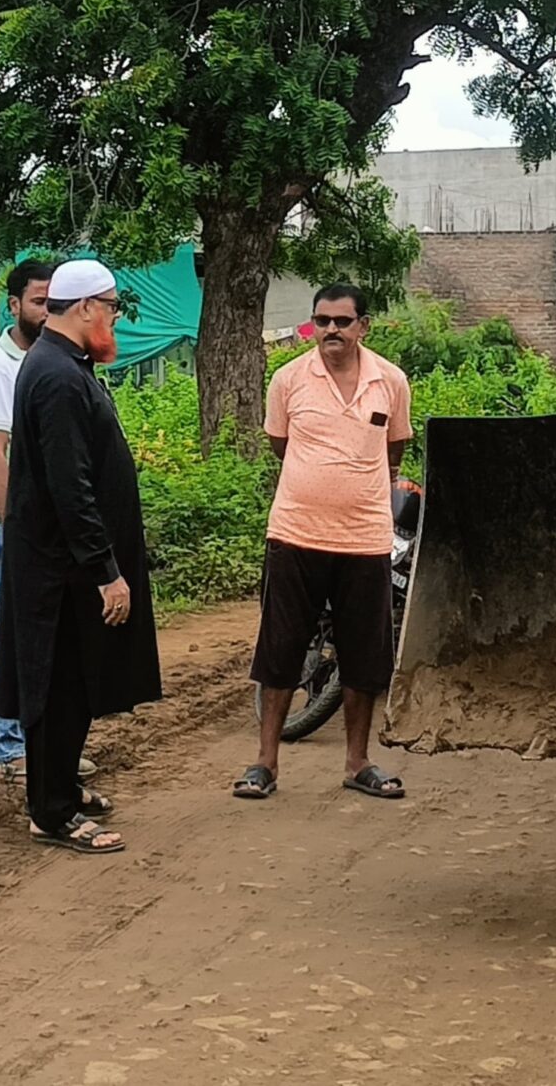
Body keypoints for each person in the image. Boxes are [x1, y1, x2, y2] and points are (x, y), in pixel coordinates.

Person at [0, 259, 162, 853]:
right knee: (59, 687)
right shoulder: (58, 376)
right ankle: (52, 812)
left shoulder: (63, 365)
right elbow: (71, 487)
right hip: (61, 571)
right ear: (87, 307)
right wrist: (105, 571)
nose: (114, 318)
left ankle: (58, 786)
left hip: (65, 565)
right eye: (112, 308)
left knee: (76, 683)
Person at [235, 283, 412, 802]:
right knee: (281, 650)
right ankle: (265, 763)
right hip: (296, 533)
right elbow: (279, 444)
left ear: (363, 326)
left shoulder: (390, 382)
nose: (330, 330)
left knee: (364, 655)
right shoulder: (289, 379)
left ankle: (357, 764)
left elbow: (393, 446)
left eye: (341, 321)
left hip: (365, 538)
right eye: (321, 321)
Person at [0, 256, 55, 784]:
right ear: (15, 304)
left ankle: (43, 745)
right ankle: (8, 752)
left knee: (47, 637)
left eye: (55, 302)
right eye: (39, 302)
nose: (48, 312)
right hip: (16, 526)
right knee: (8, 634)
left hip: (51, 525)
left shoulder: (55, 359)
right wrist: (14, 527)